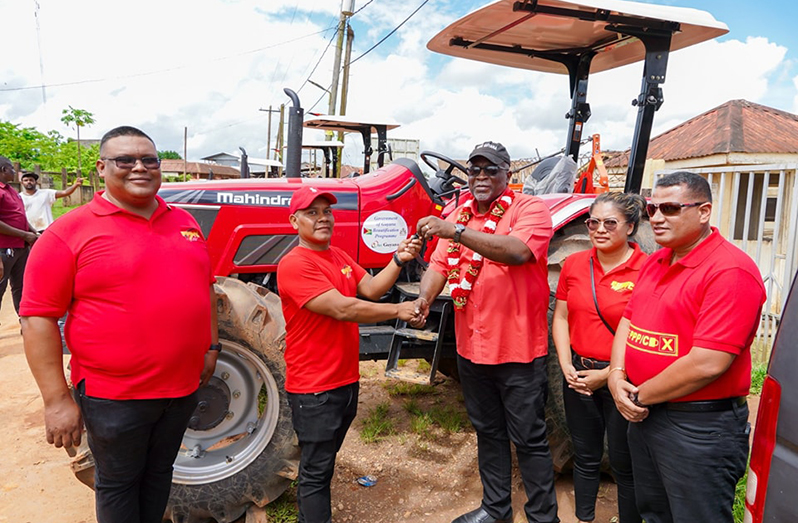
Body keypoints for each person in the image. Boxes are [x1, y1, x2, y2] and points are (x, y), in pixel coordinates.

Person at [20, 126, 219, 523]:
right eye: (125, 160)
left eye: (149, 160)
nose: (139, 168)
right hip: (114, 396)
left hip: (181, 388)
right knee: (119, 483)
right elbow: (37, 317)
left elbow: (206, 290)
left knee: (160, 474)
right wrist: (57, 400)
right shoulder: (69, 232)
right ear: (101, 167)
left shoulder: (185, 222)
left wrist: (212, 347)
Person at [607, 171, 766, 523]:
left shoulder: (729, 271)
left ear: (704, 211)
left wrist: (635, 397)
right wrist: (616, 377)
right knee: (655, 513)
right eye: (652, 209)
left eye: (671, 208)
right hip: (647, 415)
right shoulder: (657, 260)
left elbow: (708, 363)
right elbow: (629, 322)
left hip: (697, 428)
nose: (657, 218)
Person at [412, 141, 558, 523]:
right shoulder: (458, 213)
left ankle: (544, 517)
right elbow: (440, 265)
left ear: (507, 173)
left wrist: (455, 230)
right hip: (471, 348)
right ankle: (496, 510)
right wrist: (424, 299)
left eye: (490, 169)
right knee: (488, 432)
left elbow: (517, 252)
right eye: (474, 169)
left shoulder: (530, 209)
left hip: (518, 351)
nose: (480, 176)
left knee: (528, 438)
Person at [276, 185, 423, 523]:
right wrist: (398, 311)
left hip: (344, 381)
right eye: (312, 213)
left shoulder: (338, 256)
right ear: (293, 221)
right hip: (315, 387)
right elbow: (342, 308)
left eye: (326, 211)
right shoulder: (295, 264)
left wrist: (398, 260)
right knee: (315, 473)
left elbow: (370, 289)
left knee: (324, 463)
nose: (323, 218)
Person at [551, 192, 647, 523]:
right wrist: (567, 366)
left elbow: (645, 333)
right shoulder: (575, 265)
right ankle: (584, 518)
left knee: (625, 462)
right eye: (593, 222)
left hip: (625, 380)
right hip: (578, 376)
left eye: (610, 223)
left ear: (630, 227)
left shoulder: (647, 270)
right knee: (586, 456)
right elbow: (561, 318)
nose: (599, 229)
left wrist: (607, 375)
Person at [0, 156, 39, 316]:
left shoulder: (11, 190)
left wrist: (33, 232)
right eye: (12, 169)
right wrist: (25, 235)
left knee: (21, 287)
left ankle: (25, 322)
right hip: (4, 249)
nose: (15, 172)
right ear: (3, 170)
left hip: (20, 248)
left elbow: (20, 216)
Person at [19, 171, 84, 231]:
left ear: (36, 182)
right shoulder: (19, 197)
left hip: (46, 229)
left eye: (31, 180)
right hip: (29, 230)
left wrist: (76, 185)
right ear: (22, 183)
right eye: (26, 180)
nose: (28, 182)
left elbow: (65, 192)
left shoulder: (46, 193)